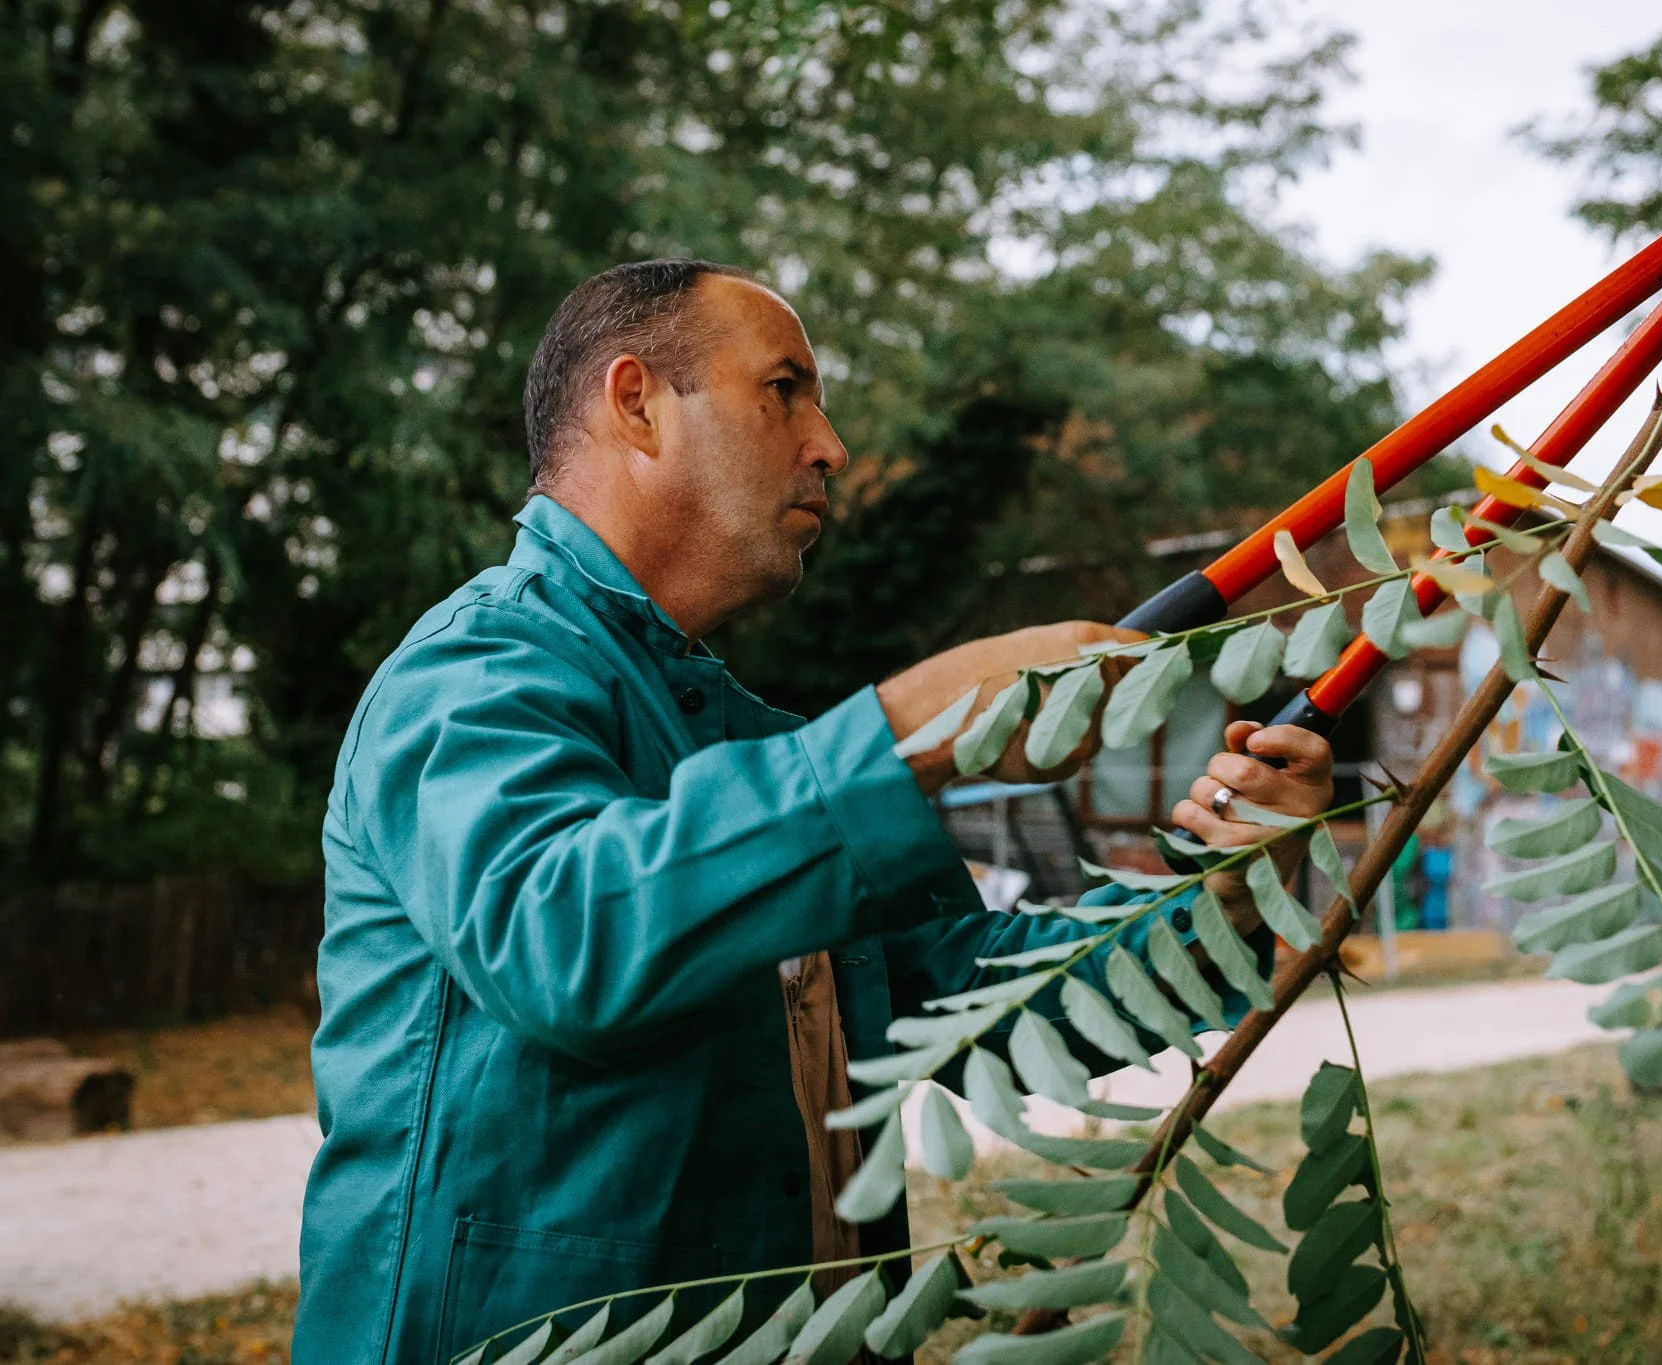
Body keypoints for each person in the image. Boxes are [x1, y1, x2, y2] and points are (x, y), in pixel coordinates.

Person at [293, 259, 1334, 1363]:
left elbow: (987, 1008)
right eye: (783, 388)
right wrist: (909, 726)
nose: (829, 443)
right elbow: (559, 938)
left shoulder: (749, 739)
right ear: (635, 401)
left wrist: (1222, 891)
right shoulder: (474, 670)